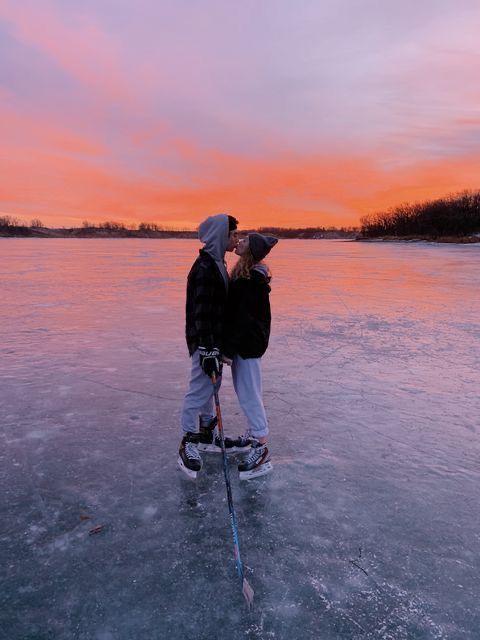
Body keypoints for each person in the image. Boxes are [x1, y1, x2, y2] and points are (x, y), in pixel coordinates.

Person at [178, 213, 251, 479]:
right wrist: (208, 349)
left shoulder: (217, 262)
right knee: (199, 389)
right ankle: (188, 441)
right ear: (221, 236)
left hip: (214, 341)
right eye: (233, 234)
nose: (236, 239)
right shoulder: (205, 268)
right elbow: (201, 313)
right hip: (205, 341)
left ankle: (207, 433)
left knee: (211, 386)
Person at [223, 232, 278, 479]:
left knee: (248, 393)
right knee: (245, 390)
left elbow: (241, 319)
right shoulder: (246, 274)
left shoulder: (250, 279)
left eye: (245, 241)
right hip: (246, 344)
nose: (240, 242)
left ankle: (261, 445)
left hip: (247, 345)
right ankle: (254, 434)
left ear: (251, 251)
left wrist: (227, 349)